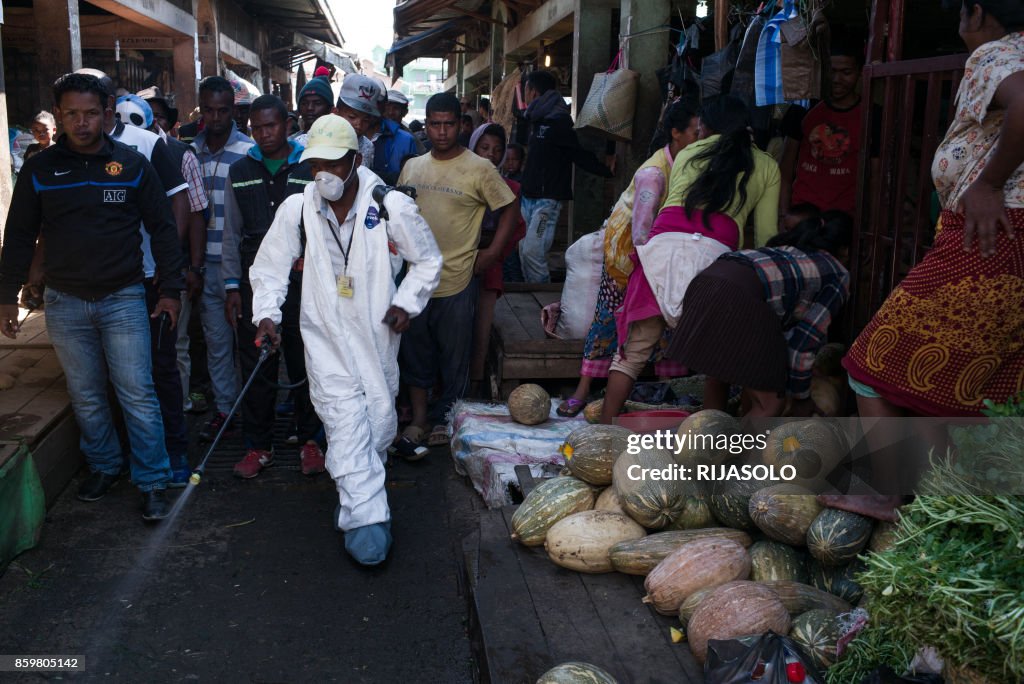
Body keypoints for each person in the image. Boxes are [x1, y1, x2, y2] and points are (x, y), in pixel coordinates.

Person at [247, 114, 442, 564]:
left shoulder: (391, 205)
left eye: (334, 164)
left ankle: (355, 487)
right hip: (324, 336)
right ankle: (367, 522)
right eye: (316, 164)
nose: (324, 174)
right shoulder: (297, 208)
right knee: (342, 420)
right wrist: (266, 316)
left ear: (356, 160)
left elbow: (428, 261)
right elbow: (270, 267)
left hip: (376, 337)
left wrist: (407, 303)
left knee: (376, 423)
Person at [0, 72, 185, 520]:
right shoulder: (40, 169)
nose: (81, 123)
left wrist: (171, 290)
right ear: (60, 116)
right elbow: (20, 234)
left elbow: (162, 229)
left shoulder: (131, 164)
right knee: (84, 394)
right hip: (64, 303)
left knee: (137, 393)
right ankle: (103, 465)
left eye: (89, 114)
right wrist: (7, 295)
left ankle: (153, 479)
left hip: (123, 297)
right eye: (71, 114)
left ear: (105, 115)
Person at [843, 0, 1024, 418]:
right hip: (1000, 237)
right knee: (976, 393)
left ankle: (893, 483)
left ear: (976, 13)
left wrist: (988, 184)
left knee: (868, 366)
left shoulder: (996, 52)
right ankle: (933, 483)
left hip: (990, 237)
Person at [600, 95, 781, 423]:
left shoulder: (691, 152)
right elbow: (767, 236)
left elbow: (671, 201)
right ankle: (710, 445)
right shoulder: (768, 165)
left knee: (631, 356)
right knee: (717, 362)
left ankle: (601, 431)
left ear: (707, 128)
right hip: (716, 260)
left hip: (660, 248)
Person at [556, 102, 698, 417]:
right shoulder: (653, 173)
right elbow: (640, 230)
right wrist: (650, 270)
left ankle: (664, 395)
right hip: (627, 255)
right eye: (695, 131)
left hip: (657, 255)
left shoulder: (687, 166)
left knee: (666, 325)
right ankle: (583, 388)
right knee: (608, 318)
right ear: (675, 134)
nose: (701, 137)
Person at [397, 93, 518, 447]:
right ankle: (419, 419)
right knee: (415, 353)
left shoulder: (479, 168)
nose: (441, 131)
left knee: (455, 357)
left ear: (461, 125)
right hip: (415, 282)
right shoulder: (413, 167)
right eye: (434, 124)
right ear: (427, 123)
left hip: (458, 279)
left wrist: (491, 254)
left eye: (449, 124)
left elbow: (510, 209)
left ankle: (448, 420)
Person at [220, 94, 325, 478]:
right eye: (257, 128)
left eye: (272, 126)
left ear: (288, 124)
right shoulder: (240, 169)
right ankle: (258, 446)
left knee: (305, 360)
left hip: (303, 280)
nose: (265, 134)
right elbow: (230, 232)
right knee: (257, 366)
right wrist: (232, 286)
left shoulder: (309, 166)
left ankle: (312, 441)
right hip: (254, 281)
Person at [667, 212, 851, 417]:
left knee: (718, 374)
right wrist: (802, 397)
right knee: (770, 403)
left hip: (706, 281)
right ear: (846, 249)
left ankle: (707, 446)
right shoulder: (838, 273)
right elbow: (803, 343)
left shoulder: (791, 251)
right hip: (739, 295)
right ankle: (737, 450)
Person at [137, 86, 211, 416]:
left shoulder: (181, 155)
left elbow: (195, 213)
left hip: (171, 268)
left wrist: (193, 267)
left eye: (156, 117)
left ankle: (177, 411)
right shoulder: (117, 155)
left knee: (175, 343)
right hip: (132, 271)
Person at [192, 76, 255, 441]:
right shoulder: (189, 152)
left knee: (249, 343)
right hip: (204, 265)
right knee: (217, 343)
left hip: (240, 265)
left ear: (234, 111)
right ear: (201, 110)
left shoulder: (248, 152)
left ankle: (256, 410)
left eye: (223, 110)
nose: (215, 117)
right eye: (209, 110)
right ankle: (225, 410)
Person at [518, 70, 614, 283]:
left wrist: (606, 169)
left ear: (532, 91)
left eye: (525, 89)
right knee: (524, 248)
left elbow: (576, 154)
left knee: (532, 252)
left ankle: (541, 297)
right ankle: (532, 290)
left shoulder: (558, 121)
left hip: (547, 200)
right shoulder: (534, 119)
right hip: (528, 196)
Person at [778, 40, 866, 222]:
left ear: (860, 73)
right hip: (801, 217)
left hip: (844, 221)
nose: (837, 80)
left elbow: (875, 176)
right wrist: (783, 216)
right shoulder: (802, 109)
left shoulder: (871, 115)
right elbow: (785, 170)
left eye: (846, 73)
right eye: (831, 71)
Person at [468, 123, 527, 394]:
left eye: (497, 150)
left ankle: (475, 384)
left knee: (481, 327)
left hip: (489, 265)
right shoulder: (460, 179)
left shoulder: (510, 187)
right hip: (455, 261)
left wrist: (493, 255)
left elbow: (517, 229)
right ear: (473, 146)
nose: (491, 154)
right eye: (484, 148)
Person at [336, 76, 419, 186]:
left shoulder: (367, 146)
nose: (358, 124)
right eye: (352, 116)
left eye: (366, 119)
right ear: (336, 112)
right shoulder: (311, 139)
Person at [293, 77, 334, 147]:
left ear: (329, 108)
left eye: (317, 103)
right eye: (304, 103)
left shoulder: (338, 141)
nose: (309, 108)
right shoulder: (291, 143)